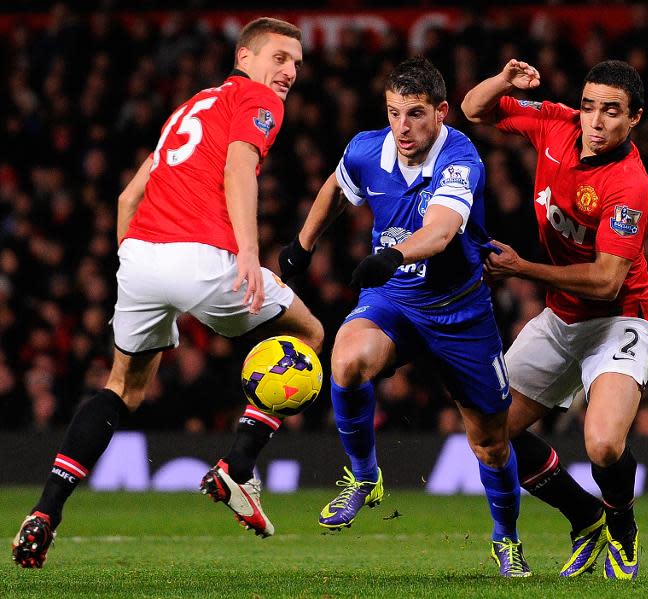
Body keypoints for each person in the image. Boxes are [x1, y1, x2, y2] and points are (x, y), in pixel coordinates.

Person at [12, 17, 323, 569]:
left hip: (141, 257)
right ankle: (238, 469)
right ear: (245, 57)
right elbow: (239, 170)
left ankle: (45, 512)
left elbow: (128, 198)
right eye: (279, 57)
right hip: (205, 257)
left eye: (296, 62)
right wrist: (249, 254)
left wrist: (133, 264)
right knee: (310, 332)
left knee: (122, 387)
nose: (290, 72)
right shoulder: (257, 101)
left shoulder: (191, 107)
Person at [279, 57, 530, 577]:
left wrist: (392, 255)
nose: (403, 127)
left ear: (440, 112)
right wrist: (302, 246)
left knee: (490, 442)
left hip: (459, 312)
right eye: (394, 113)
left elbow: (440, 232)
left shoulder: (461, 158)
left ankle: (506, 540)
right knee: (345, 362)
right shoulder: (368, 149)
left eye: (415, 114)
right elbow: (334, 187)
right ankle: (364, 476)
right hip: (395, 302)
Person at [462, 59, 648, 580]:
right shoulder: (557, 123)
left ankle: (622, 526)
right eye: (590, 105)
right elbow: (472, 108)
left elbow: (605, 281)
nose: (596, 121)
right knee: (490, 434)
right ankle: (585, 515)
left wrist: (522, 269)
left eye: (612, 112)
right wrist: (504, 82)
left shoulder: (629, 185)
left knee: (601, 443)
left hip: (624, 318)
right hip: (562, 318)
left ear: (634, 118)